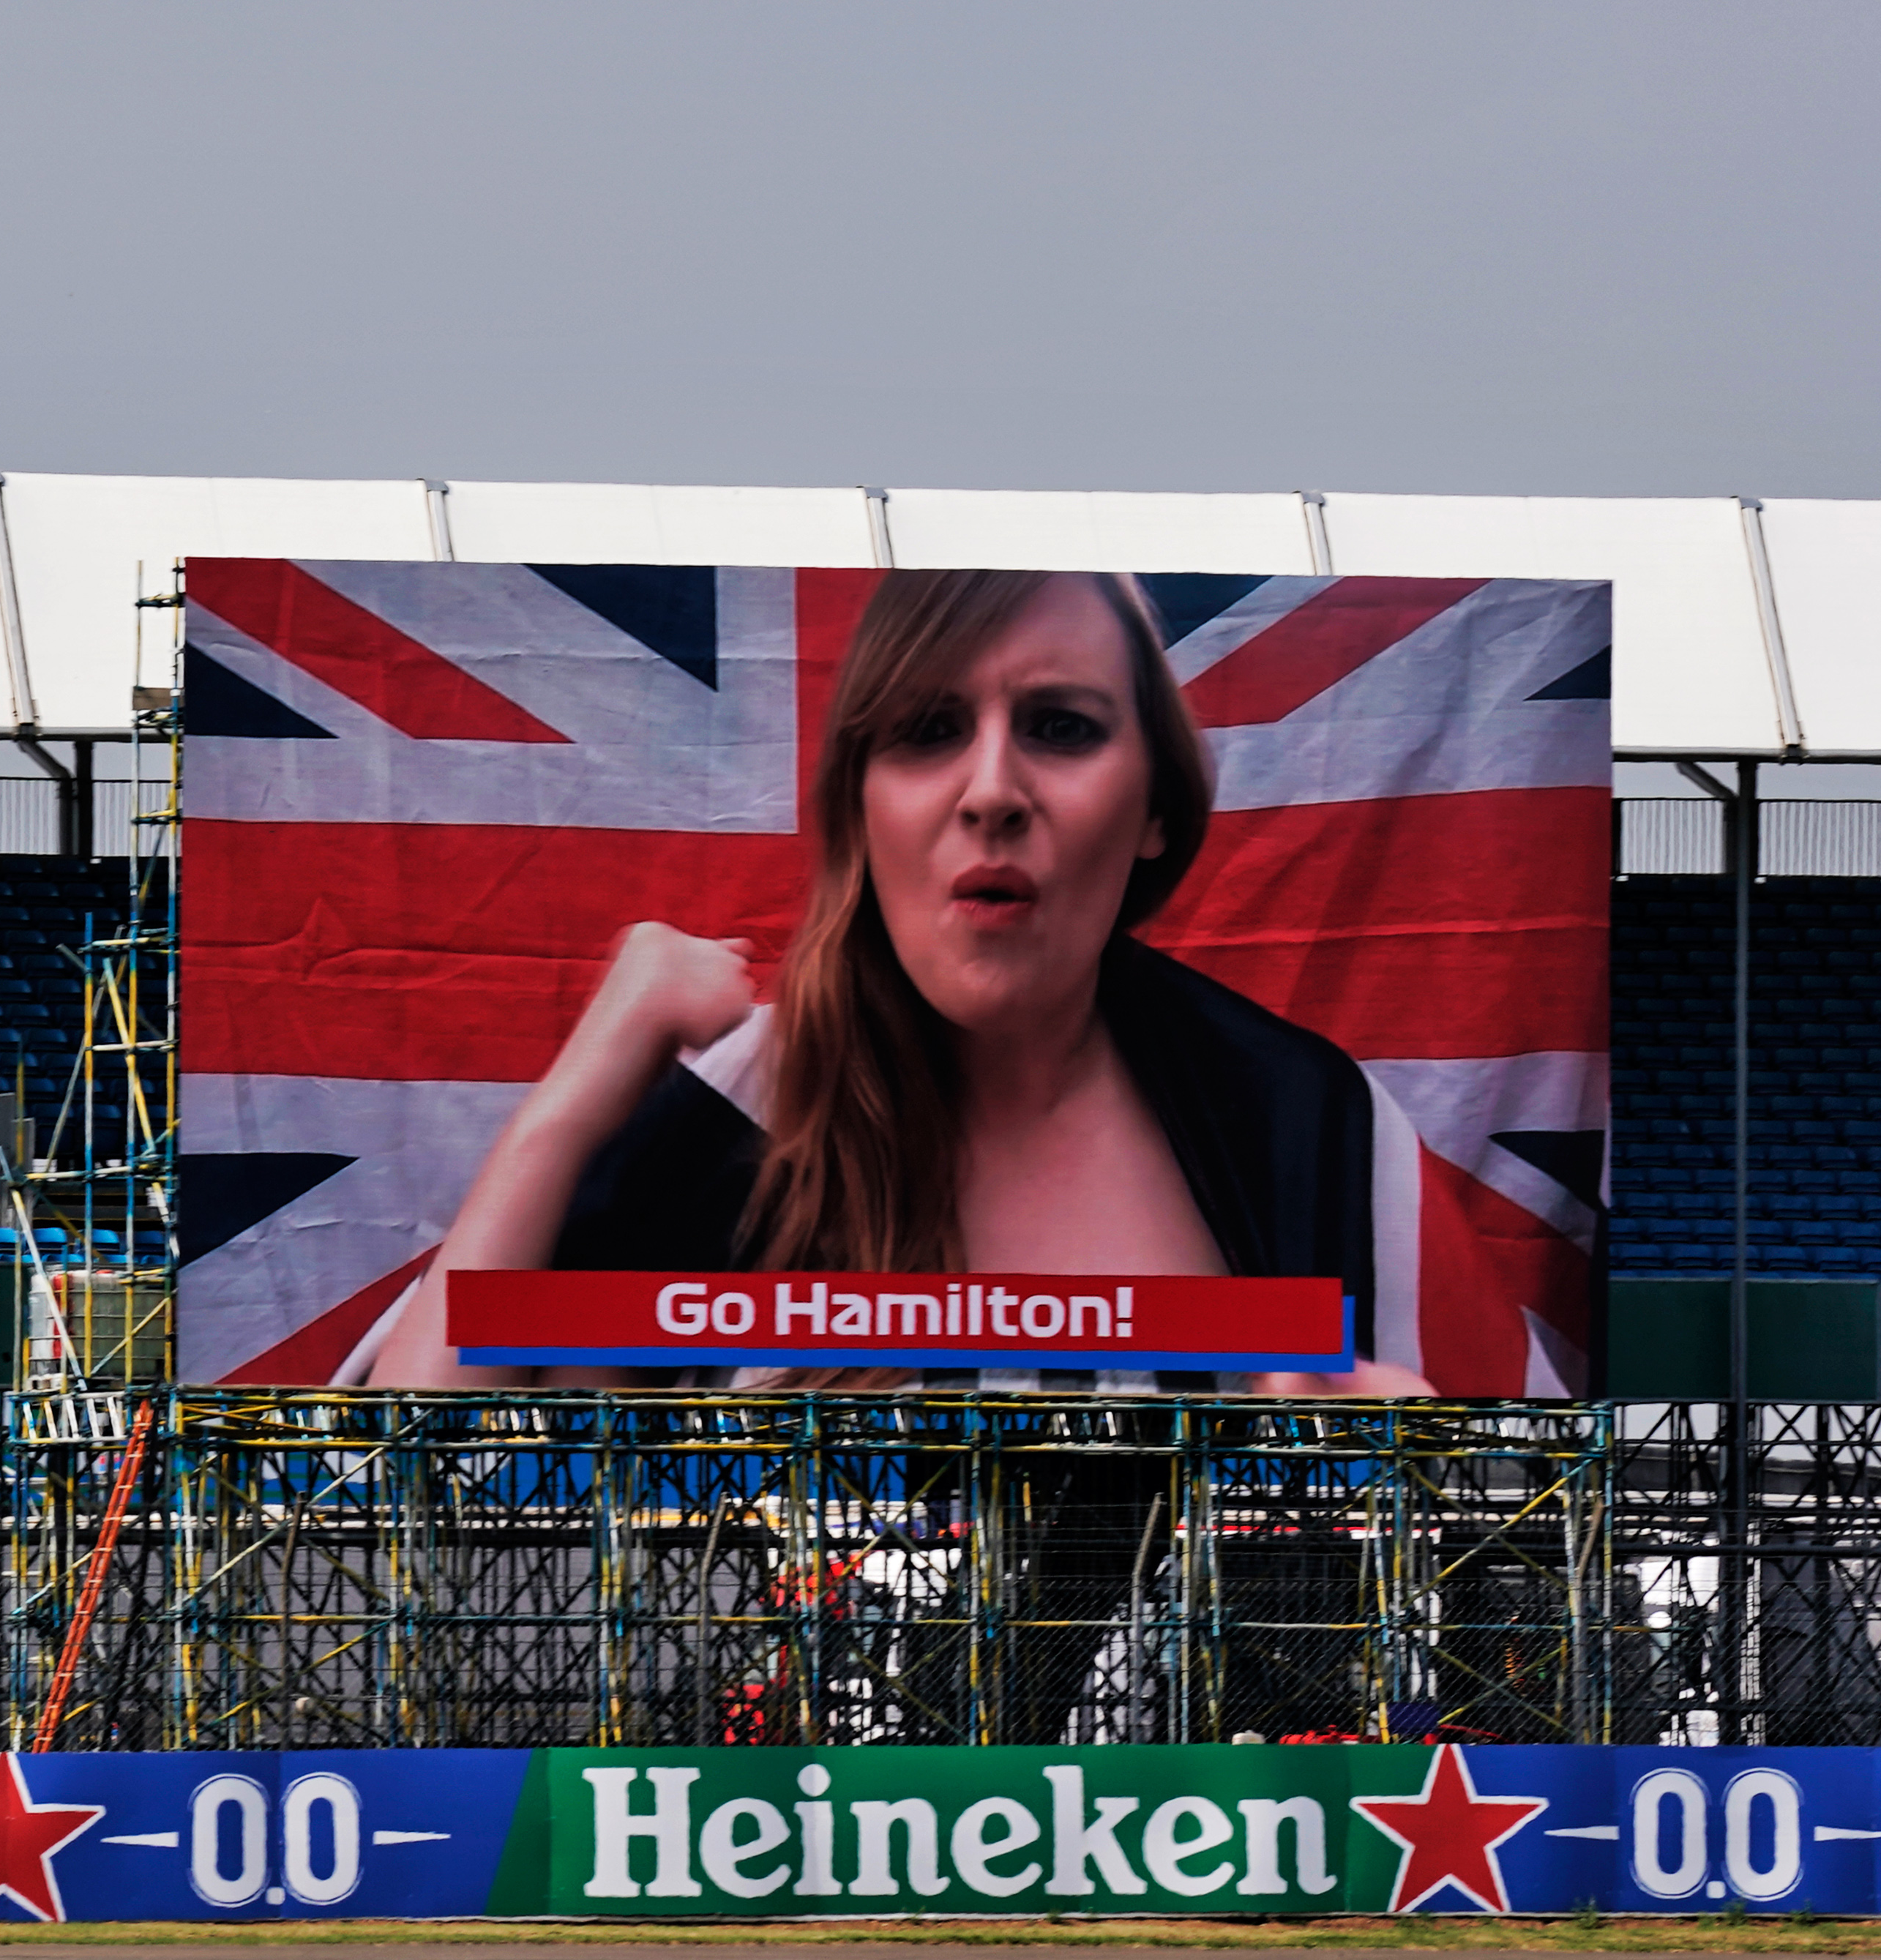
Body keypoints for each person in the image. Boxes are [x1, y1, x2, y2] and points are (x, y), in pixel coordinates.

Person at [364, 566, 1412, 1394]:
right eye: (927, 732)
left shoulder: (1316, 1127)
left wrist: (1395, 1478)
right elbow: (397, 1499)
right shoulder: (742, 1108)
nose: (992, 791)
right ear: (862, 805)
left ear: (1155, 811)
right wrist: (592, 1077)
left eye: (1061, 727)